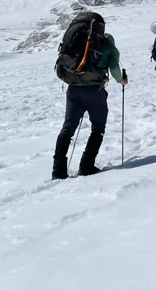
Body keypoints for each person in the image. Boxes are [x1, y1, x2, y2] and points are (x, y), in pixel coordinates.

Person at [52, 10, 127, 179]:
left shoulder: (77, 42)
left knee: (68, 128)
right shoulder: (108, 47)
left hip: (73, 89)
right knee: (98, 127)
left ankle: (58, 171)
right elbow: (114, 70)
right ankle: (86, 165)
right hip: (94, 91)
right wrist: (121, 80)